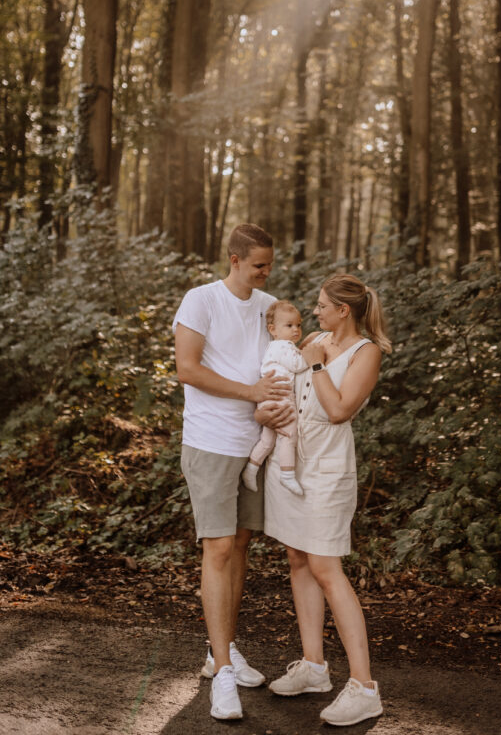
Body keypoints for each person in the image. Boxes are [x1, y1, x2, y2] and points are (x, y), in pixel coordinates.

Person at [173, 223, 293, 721]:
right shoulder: (200, 300)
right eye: (260, 264)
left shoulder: (269, 306)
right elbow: (187, 368)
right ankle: (223, 672)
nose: (267, 272)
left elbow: (287, 355)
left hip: (255, 447)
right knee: (218, 547)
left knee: (240, 546)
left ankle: (219, 650)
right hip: (210, 441)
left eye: (270, 264)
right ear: (235, 259)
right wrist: (252, 394)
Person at [264, 273, 391, 727]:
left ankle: (364, 687)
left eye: (321, 305)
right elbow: (286, 387)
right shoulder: (315, 338)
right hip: (292, 464)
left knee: (326, 568)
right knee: (298, 559)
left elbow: (339, 410)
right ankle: (315, 666)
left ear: (344, 310)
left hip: (328, 471)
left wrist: (316, 365)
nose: (313, 312)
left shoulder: (366, 352)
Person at [242, 300, 308, 497]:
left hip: (269, 400)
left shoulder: (276, 346)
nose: (296, 330)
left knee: (267, 440)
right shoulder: (282, 346)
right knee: (289, 435)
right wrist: (311, 355)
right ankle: (287, 474)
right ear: (273, 329)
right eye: (289, 325)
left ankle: (251, 469)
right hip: (281, 398)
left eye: (298, 325)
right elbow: (297, 365)